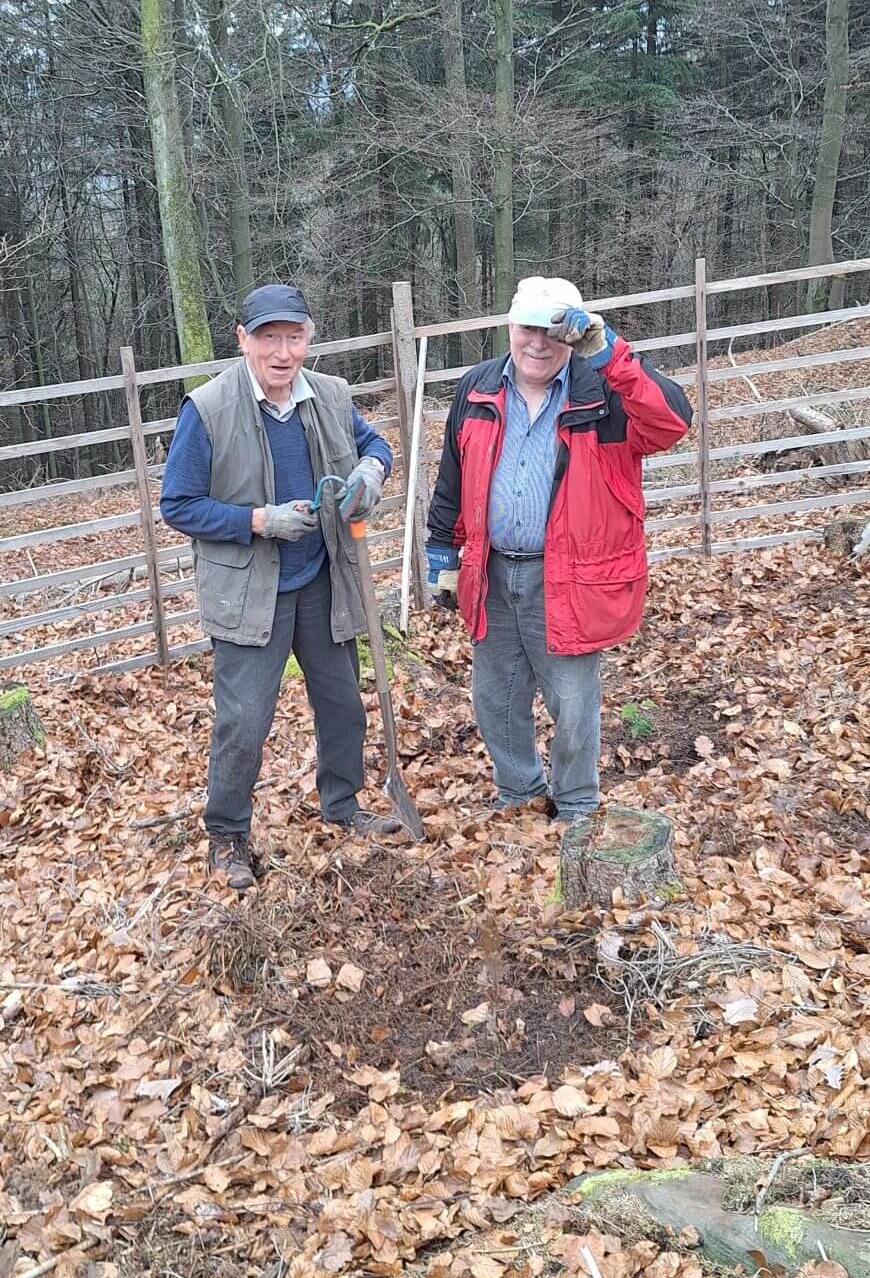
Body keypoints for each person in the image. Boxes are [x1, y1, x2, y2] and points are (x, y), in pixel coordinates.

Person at [425, 276, 692, 824]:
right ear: (509, 327)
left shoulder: (602, 393)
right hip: (493, 570)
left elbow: (671, 422)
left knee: (571, 703)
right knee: (495, 697)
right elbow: (453, 475)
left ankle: (575, 803)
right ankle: (519, 791)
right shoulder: (477, 388)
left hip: (570, 575)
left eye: (554, 332)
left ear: (573, 336)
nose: (538, 344)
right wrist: (441, 552)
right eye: (528, 329)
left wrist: (611, 353)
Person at [161, 283, 398, 890]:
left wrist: (371, 471)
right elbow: (178, 504)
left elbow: (373, 443)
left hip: (321, 580)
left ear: (309, 338)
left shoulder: (329, 396)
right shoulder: (208, 409)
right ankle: (228, 836)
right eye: (268, 337)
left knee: (344, 707)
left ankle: (342, 805)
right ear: (243, 340)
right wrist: (258, 521)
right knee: (243, 720)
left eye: (294, 337)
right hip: (250, 592)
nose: (282, 352)